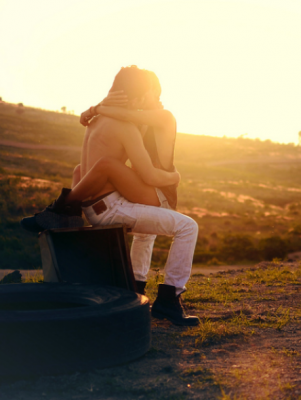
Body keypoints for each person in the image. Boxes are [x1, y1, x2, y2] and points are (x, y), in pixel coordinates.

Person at [21, 66, 199, 326]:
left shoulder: (93, 124)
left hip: (98, 207)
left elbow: (82, 170)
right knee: (188, 226)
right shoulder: (127, 127)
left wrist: (95, 109)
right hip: (112, 208)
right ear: (135, 97)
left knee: (146, 230)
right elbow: (148, 175)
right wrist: (175, 178)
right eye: (150, 92)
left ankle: (136, 289)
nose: (154, 98)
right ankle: (169, 300)